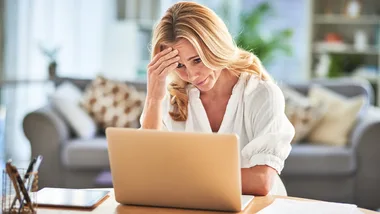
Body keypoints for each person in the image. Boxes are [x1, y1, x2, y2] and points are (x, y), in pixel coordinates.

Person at [140, 1, 295, 196]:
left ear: (216, 46)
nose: (192, 75)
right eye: (179, 66)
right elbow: (145, 171)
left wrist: (177, 178)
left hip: (257, 206)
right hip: (197, 204)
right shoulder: (173, 99)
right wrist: (153, 98)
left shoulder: (261, 94)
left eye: (197, 60)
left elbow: (261, 181)